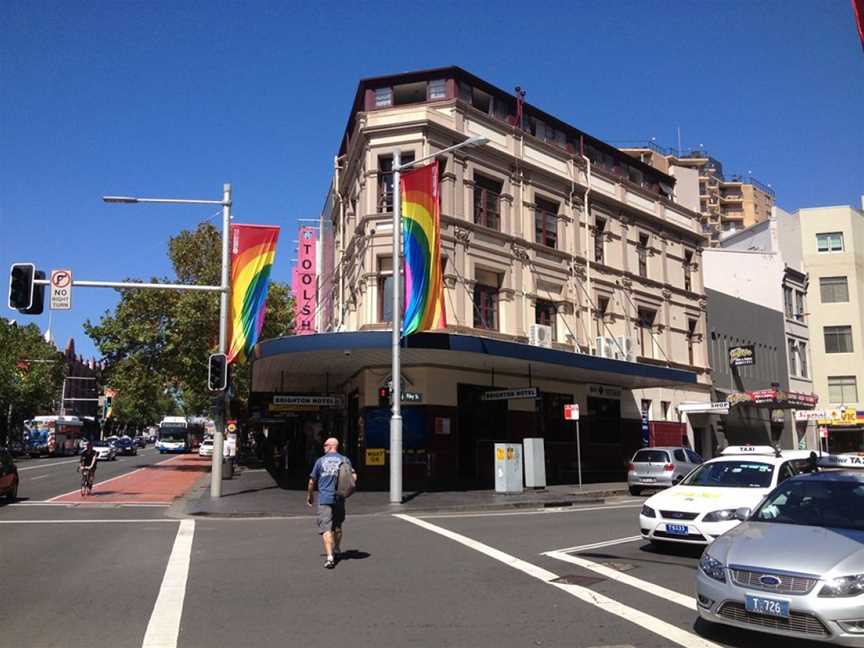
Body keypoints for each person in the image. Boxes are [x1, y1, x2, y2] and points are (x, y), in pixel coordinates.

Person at [307, 437, 356, 569]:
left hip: (324, 498)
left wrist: (310, 496)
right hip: (339, 498)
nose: (323, 447)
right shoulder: (345, 460)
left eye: (324, 445)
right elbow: (354, 477)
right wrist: (347, 491)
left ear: (330, 446)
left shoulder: (320, 461)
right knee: (338, 525)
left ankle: (330, 558)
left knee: (326, 528)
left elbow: (312, 481)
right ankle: (337, 548)